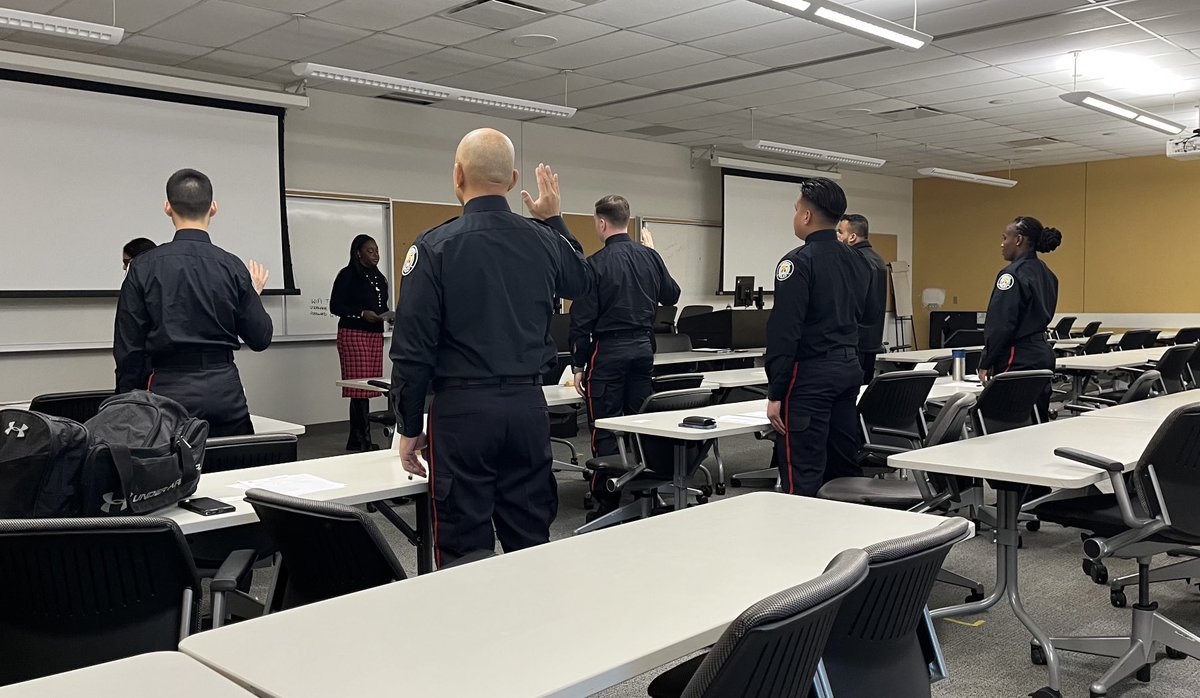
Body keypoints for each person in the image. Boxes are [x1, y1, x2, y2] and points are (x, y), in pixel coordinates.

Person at [390, 128, 592, 566]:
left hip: (463, 411)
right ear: (513, 178)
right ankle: (535, 626)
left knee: (464, 543)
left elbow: (413, 348)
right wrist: (554, 220)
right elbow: (584, 282)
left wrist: (408, 425)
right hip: (527, 407)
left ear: (457, 175)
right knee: (530, 533)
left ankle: (473, 632)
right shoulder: (543, 241)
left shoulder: (435, 246)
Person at [114, 168, 272, 436]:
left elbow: (129, 348)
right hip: (225, 388)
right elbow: (260, 338)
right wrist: (253, 295)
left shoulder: (142, 267)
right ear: (213, 207)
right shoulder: (232, 266)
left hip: (169, 389)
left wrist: (127, 404)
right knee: (237, 467)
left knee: (172, 472)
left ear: (167, 207)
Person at [765, 178, 879, 497]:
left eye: (796, 209)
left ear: (806, 216)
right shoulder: (860, 260)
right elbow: (868, 317)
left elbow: (785, 330)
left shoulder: (797, 262)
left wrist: (776, 391)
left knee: (802, 468)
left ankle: (801, 539)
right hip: (848, 367)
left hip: (810, 375)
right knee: (842, 464)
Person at [569, 197, 680, 515]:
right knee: (640, 423)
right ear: (627, 221)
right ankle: (644, 491)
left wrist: (579, 364)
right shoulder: (649, 257)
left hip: (609, 351)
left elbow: (582, 319)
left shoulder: (595, 264)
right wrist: (655, 255)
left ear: (601, 223)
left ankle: (608, 499)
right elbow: (671, 295)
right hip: (644, 350)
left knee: (606, 424)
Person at [979, 216, 1061, 421]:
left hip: (1018, 357)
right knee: (1037, 420)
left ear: (1018, 240)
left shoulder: (1011, 275)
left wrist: (987, 360)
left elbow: (1001, 323)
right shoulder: (1048, 274)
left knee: (1001, 420)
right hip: (1042, 353)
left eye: (1005, 237)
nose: (1001, 243)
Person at [330, 234, 394, 451]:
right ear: (358, 253)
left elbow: (380, 305)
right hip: (353, 333)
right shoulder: (347, 275)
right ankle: (362, 438)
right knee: (359, 387)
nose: (375, 255)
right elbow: (336, 306)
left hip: (374, 334)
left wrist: (387, 315)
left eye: (376, 250)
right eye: (370, 251)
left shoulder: (379, 278)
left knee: (369, 386)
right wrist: (360, 313)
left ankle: (356, 438)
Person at [837, 213, 888, 385]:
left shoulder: (854, 261)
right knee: (862, 392)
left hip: (852, 344)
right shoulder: (878, 260)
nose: (837, 236)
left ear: (852, 237)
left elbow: (848, 303)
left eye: (840, 232)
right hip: (872, 341)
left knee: (847, 395)